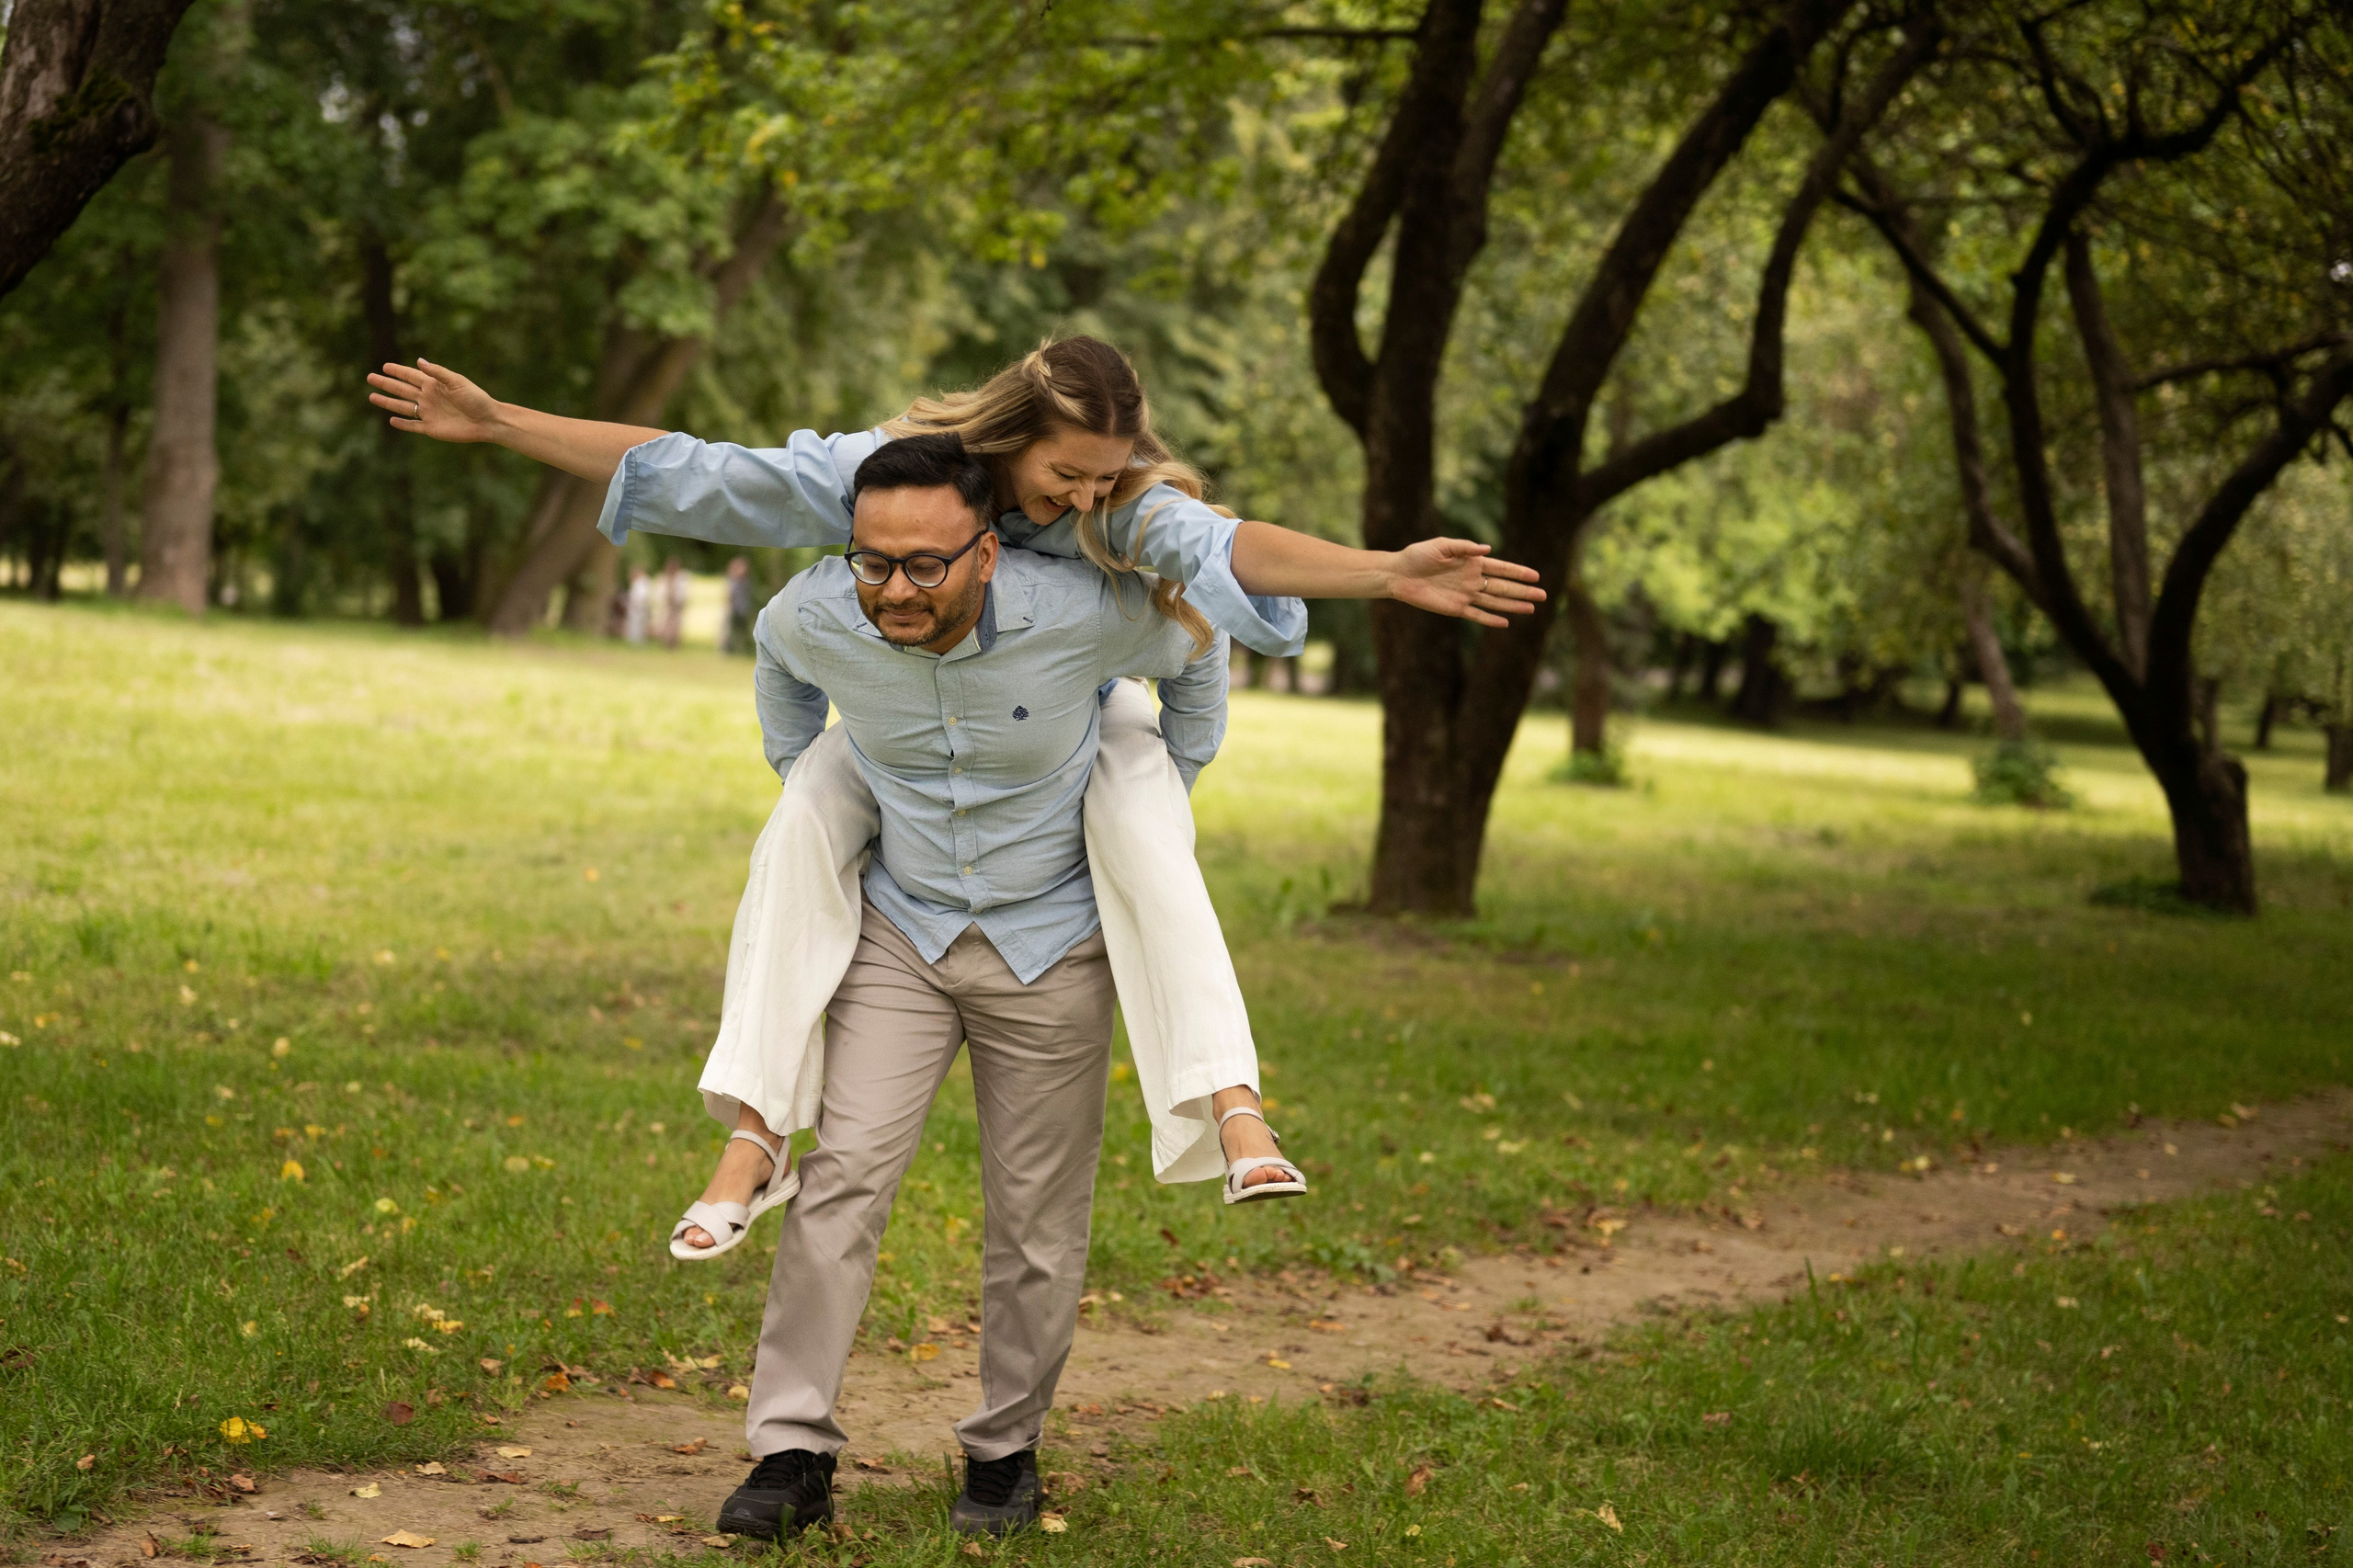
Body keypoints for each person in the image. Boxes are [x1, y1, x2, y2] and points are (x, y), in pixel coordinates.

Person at [363, 338, 1541, 1241]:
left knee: (1139, 806)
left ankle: (1230, 1106)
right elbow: (706, 477)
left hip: (1078, 722)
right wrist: (501, 421)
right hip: (901, 731)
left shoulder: (1116, 508)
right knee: (809, 807)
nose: (1083, 498)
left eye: (1103, 477)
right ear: (1013, 437)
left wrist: (1384, 571)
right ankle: (753, 1135)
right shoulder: (895, 485)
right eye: (1063, 472)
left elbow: (1224, 551)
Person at [724, 433, 1229, 1536]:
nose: (893, 589)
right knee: (842, 1177)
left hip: (1052, 944)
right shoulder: (817, 609)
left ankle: (1004, 1450)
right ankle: (790, 1449)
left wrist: (1160, 799)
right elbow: (775, 658)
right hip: (901, 934)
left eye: (924, 566)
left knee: (1038, 1217)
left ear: (989, 552)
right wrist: (808, 785)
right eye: (872, 561)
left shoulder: (1079, 610)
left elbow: (1198, 640)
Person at [722, 556, 756, 655]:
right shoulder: (732, 581)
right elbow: (729, 595)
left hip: (743, 609)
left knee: (743, 631)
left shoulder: (746, 581)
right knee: (730, 631)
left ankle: (744, 649)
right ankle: (727, 650)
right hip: (733, 610)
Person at [657, 558, 690, 648]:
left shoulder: (681, 578)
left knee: (676, 624)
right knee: (666, 624)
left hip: (677, 605)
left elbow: (682, 593)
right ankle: (667, 642)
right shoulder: (665, 578)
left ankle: (674, 643)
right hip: (668, 605)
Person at [623, 564, 653, 643]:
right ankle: (634, 640)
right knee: (635, 624)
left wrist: (637, 603)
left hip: (639, 606)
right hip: (637, 606)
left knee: (638, 624)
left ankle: (637, 641)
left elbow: (642, 596)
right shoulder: (639, 583)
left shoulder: (642, 583)